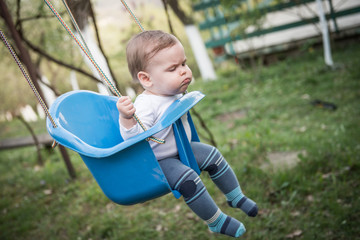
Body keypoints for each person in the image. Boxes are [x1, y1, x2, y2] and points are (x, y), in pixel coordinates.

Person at [117, 30, 258, 238]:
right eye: (173, 68)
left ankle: (235, 196)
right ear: (147, 79)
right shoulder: (146, 104)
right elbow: (132, 138)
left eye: (183, 63)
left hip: (181, 147)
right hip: (160, 160)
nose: (183, 71)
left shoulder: (171, 90)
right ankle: (216, 221)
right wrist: (127, 118)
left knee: (213, 155)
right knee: (188, 179)